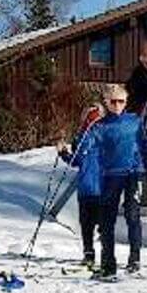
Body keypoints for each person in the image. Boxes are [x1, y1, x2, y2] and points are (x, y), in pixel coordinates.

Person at [70, 83, 147, 279]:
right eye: (113, 102)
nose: (117, 105)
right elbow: (82, 150)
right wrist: (86, 127)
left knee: (132, 215)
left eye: (121, 101)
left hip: (133, 173)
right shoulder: (100, 126)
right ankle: (108, 265)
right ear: (106, 103)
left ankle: (135, 259)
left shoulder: (135, 122)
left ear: (126, 102)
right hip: (110, 175)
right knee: (107, 221)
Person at [63, 102, 103, 271]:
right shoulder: (81, 136)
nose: (90, 119)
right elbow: (77, 160)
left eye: (94, 115)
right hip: (86, 187)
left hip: (102, 188)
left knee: (103, 225)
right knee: (86, 224)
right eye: (88, 115)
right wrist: (63, 153)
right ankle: (88, 255)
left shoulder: (104, 134)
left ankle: (106, 256)